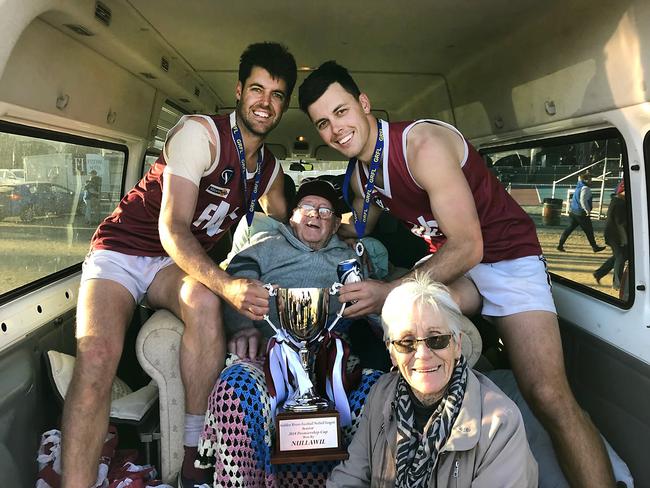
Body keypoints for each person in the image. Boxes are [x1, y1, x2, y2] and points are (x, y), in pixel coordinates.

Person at [299, 61, 615, 487]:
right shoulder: (360, 175)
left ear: (364, 103)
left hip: (505, 259)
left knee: (548, 395)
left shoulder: (420, 145)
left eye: (341, 112)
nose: (335, 129)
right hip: (453, 268)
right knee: (409, 334)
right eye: (322, 123)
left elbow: (470, 244)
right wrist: (303, 223)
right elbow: (360, 225)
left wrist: (389, 290)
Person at [61, 42, 297, 488]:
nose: (265, 103)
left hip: (170, 266)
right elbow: (172, 229)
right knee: (96, 354)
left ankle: (194, 458)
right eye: (257, 89)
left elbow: (287, 220)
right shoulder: (200, 134)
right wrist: (230, 285)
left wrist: (337, 225)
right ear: (239, 90)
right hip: (123, 251)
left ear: (284, 105)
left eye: (277, 94)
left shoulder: (268, 169)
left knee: (204, 303)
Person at [195, 179, 386, 487]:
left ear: (337, 223)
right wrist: (242, 327)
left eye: (325, 211)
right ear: (292, 216)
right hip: (266, 357)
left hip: (335, 363)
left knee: (379, 390)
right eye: (307, 208)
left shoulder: (348, 259)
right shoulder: (262, 249)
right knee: (235, 387)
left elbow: (374, 306)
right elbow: (234, 290)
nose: (316, 215)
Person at [327, 274, 538, 487]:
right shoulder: (381, 392)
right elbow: (349, 478)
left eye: (437, 339)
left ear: (456, 345)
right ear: (391, 353)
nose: (422, 354)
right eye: (406, 342)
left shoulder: (499, 423)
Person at [557, 172, 606, 252]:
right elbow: (583, 201)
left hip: (573, 212)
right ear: (585, 180)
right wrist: (587, 211)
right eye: (590, 179)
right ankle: (594, 247)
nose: (591, 181)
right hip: (581, 213)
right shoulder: (585, 188)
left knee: (569, 229)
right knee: (589, 231)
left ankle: (560, 245)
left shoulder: (579, 186)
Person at [594, 181, 628, 289]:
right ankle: (617, 284)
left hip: (616, 235)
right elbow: (620, 223)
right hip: (615, 236)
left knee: (620, 256)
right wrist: (625, 239)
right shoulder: (618, 203)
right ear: (622, 191)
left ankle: (599, 273)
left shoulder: (620, 201)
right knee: (621, 257)